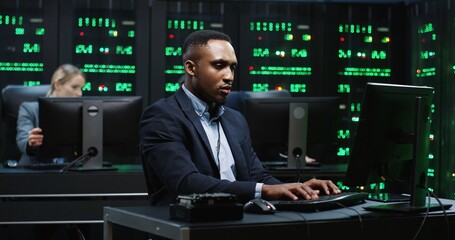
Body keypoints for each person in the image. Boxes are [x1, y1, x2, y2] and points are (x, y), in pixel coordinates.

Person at [139, 29, 341, 206]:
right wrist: (265, 191)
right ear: (191, 68)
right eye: (219, 65)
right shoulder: (162, 117)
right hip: (185, 227)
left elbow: (257, 176)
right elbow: (186, 183)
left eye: (232, 67)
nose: (229, 76)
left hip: (237, 222)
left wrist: (297, 190)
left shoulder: (235, 119)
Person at [16, 63, 86, 165]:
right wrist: (31, 143)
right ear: (57, 85)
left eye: (81, 88)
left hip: (70, 171)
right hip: (34, 171)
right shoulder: (29, 109)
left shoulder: (81, 112)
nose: (79, 93)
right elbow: (22, 140)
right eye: (74, 87)